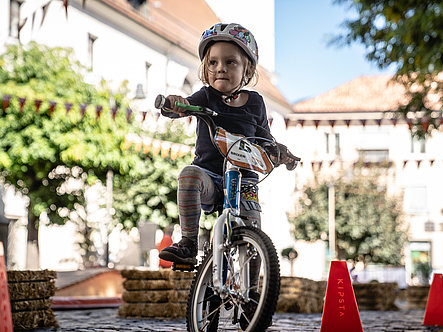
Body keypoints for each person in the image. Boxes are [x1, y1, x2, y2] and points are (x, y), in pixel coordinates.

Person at [159, 23, 297, 266]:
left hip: (244, 181)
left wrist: (280, 153)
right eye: (213, 63)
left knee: (255, 242)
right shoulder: (205, 96)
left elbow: (266, 139)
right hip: (209, 177)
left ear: (248, 69)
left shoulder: (255, 102)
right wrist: (174, 104)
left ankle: (255, 291)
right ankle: (189, 243)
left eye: (230, 62)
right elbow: (181, 108)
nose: (220, 68)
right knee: (189, 174)